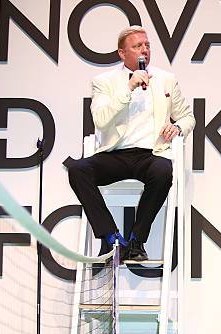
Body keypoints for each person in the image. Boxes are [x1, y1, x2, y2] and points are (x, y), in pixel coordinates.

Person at [68, 25, 195, 261]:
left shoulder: (166, 80)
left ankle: (136, 241)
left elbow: (188, 117)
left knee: (163, 171)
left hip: (151, 154)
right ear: (122, 53)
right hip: (115, 154)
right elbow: (101, 121)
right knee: (77, 169)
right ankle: (111, 237)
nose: (144, 51)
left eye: (147, 45)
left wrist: (177, 127)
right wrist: (128, 87)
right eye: (137, 46)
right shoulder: (104, 82)